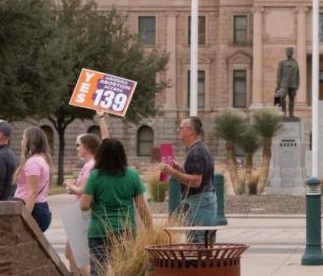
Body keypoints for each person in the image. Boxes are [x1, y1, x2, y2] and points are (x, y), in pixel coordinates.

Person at [81, 138, 152, 276]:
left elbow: (84, 205)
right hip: (125, 232)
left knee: (98, 271)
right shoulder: (132, 175)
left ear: (100, 155)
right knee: (124, 270)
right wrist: (150, 230)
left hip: (99, 232)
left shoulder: (95, 176)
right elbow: (142, 207)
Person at [159, 116, 217, 243]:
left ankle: (200, 263)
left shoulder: (196, 151)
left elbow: (196, 182)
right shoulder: (197, 149)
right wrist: (180, 170)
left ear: (191, 131)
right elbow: (195, 177)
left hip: (200, 202)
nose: (178, 130)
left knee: (200, 243)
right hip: (201, 200)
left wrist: (172, 172)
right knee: (198, 242)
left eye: (181, 127)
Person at [62, 111, 106, 276]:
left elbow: (84, 191)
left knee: (76, 253)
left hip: (81, 211)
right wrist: (72, 188)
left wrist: (70, 185)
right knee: (69, 252)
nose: (77, 148)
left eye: (78, 145)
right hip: (79, 210)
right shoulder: (90, 165)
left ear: (87, 146)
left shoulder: (90, 166)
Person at [14, 127, 52, 232]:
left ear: (30, 141)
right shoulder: (42, 159)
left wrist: (24, 217)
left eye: (23, 138)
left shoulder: (33, 162)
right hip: (38, 208)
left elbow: (33, 193)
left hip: (33, 209)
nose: (21, 142)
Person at [0, 120, 17, 201]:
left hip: (1, 207)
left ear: (0, 135)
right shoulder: (11, 154)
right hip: (8, 204)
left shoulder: (0, 156)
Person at [275, 46, 300, 118]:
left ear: (292, 53)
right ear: (286, 53)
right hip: (284, 84)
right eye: (287, 52)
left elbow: (298, 74)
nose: (288, 53)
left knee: (292, 99)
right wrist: (278, 85)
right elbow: (279, 74)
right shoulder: (282, 63)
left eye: (290, 52)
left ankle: (291, 114)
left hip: (293, 84)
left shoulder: (295, 63)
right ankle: (284, 113)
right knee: (282, 98)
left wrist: (297, 84)